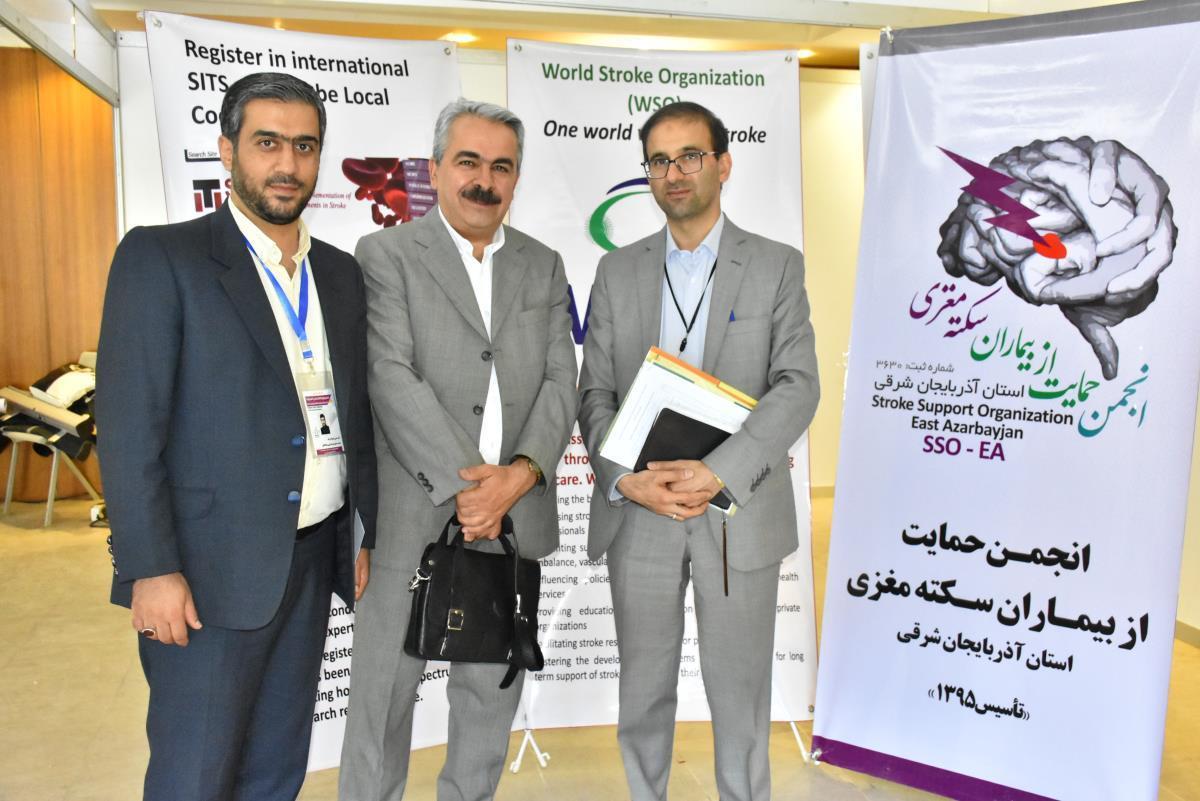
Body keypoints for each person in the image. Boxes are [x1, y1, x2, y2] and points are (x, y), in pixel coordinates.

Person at [96, 72, 377, 801]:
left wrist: (361, 533)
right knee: (196, 773)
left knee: (276, 769)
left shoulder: (339, 274)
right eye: (267, 143)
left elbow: (355, 415)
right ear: (228, 151)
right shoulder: (164, 258)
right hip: (204, 573)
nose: (287, 163)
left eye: (304, 146)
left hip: (311, 559)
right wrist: (151, 568)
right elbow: (127, 429)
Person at [577, 101, 819, 801]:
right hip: (642, 513)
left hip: (736, 514)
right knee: (642, 692)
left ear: (723, 164)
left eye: (690, 156)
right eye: (659, 160)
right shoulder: (617, 271)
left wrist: (720, 472)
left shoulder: (776, 266)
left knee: (741, 696)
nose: (675, 172)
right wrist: (623, 479)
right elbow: (594, 393)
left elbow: (798, 385)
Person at [339, 98, 577, 801]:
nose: (484, 180)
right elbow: (389, 373)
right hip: (412, 518)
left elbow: (561, 381)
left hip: (512, 521)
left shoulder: (543, 264)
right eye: (468, 162)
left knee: (487, 703)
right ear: (436, 168)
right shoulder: (385, 254)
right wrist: (472, 489)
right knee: (383, 701)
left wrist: (519, 477)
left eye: (501, 166)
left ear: (517, 177)